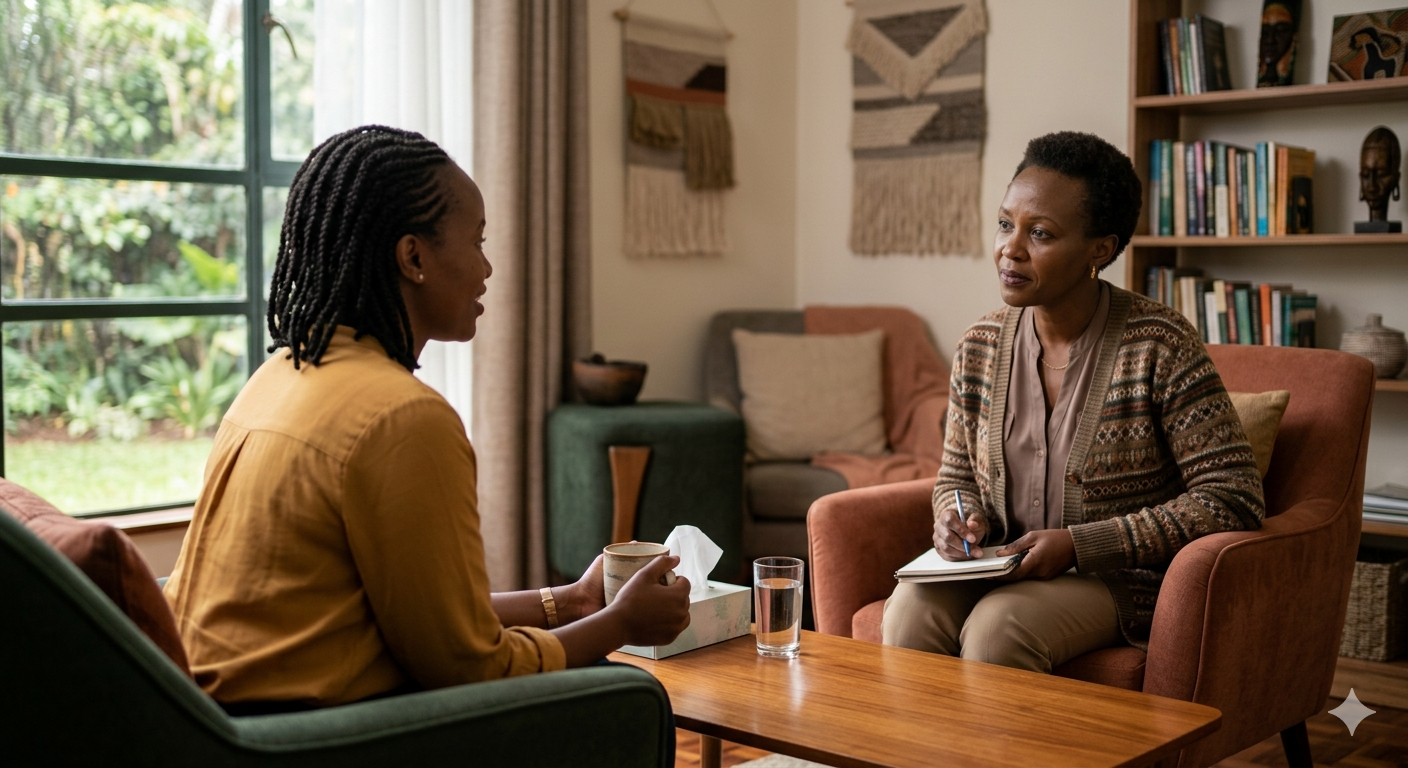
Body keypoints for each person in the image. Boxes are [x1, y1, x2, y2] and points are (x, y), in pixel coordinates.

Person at [164, 125, 692, 713]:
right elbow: (474, 672)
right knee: (628, 699)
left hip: (212, 724)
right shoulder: (403, 419)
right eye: (478, 242)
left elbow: (421, 620)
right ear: (414, 256)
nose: (488, 268)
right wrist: (619, 624)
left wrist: (569, 602)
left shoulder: (280, 375)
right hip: (299, 741)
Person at [882, 131, 1265, 672]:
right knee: (906, 615)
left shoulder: (1160, 344)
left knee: (999, 629)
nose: (1009, 249)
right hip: (998, 564)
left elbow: (1233, 497)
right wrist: (955, 515)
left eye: (1040, 233)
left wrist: (1082, 544)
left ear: (1099, 249)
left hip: (1117, 580)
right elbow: (956, 476)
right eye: (1004, 224)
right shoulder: (980, 345)